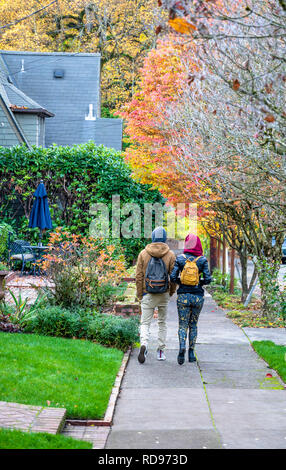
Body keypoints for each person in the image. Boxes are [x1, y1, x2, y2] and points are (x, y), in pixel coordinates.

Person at [136, 227, 176, 364]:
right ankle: (160, 351)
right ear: (164, 238)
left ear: (152, 237)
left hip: (148, 293)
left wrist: (140, 294)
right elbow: (174, 277)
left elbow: (138, 276)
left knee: (145, 322)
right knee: (162, 322)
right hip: (163, 293)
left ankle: (144, 344)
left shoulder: (143, 253)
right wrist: (171, 292)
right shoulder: (170, 254)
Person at [170, 233, 212, 365]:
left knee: (183, 325)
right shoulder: (202, 260)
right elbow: (208, 279)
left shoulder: (180, 259)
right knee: (193, 325)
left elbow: (172, 277)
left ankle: (181, 346)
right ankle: (191, 352)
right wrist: (198, 283)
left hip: (183, 296)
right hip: (197, 297)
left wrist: (181, 282)